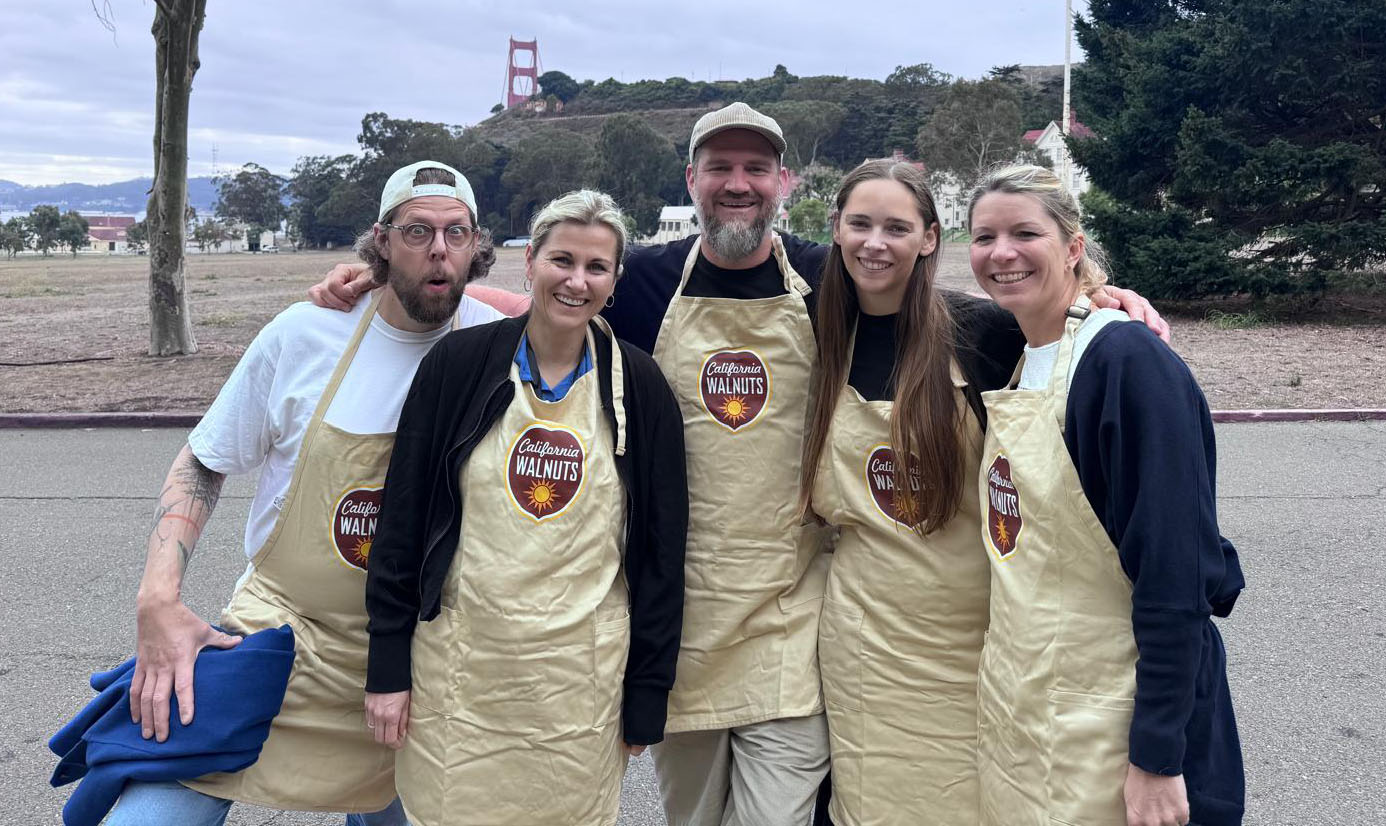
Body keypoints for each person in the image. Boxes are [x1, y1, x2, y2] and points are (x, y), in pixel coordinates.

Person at [309, 102, 1169, 826]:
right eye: (720, 165)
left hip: (791, 624)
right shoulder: (641, 281)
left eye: (758, 168)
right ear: (692, 178)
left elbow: (945, 294)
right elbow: (548, 299)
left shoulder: (825, 277)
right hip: (680, 630)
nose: (738, 183)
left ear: (783, 187)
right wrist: (376, 281)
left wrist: (1094, 294)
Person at [107, 159, 504, 825]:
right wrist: (158, 596)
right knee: (151, 811)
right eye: (416, 232)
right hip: (288, 637)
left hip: (428, 658)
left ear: (476, 245)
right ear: (380, 241)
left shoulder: (502, 344)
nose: (438, 250)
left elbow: (587, 304)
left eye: (456, 233)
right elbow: (204, 462)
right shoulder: (304, 335)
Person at [361, 190, 688, 826]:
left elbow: (661, 553)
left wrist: (647, 694)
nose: (576, 281)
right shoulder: (458, 367)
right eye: (561, 260)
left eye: (597, 267)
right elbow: (402, 523)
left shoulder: (642, 389)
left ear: (615, 281)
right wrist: (387, 668)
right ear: (530, 261)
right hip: (462, 676)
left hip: (578, 689)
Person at [967, 164, 1245, 826]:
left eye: (1024, 232)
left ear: (1072, 246)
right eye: (983, 237)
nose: (1001, 253)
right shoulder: (1014, 348)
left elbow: (1175, 576)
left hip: (1116, 719)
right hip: (1033, 709)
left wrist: (1158, 757)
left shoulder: (1125, 362)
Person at [799, 158, 1023, 825]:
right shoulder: (811, 330)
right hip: (863, 637)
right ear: (836, 229)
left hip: (972, 632)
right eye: (860, 223)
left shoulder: (985, 333)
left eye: (897, 227)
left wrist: (1109, 301)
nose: (876, 242)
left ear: (929, 237)